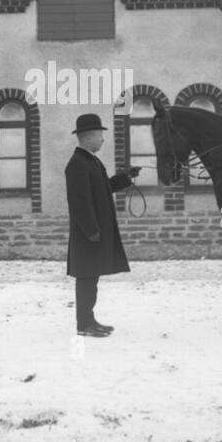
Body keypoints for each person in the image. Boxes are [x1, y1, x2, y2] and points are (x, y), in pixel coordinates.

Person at [65, 113, 141, 337]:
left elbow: (102, 188)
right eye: (99, 135)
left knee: (92, 277)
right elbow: (79, 202)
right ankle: (83, 325)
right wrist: (91, 230)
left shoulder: (90, 161)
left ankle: (89, 320)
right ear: (88, 137)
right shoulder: (78, 164)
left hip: (93, 233)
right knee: (86, 278)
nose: (102, 140)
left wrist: (126, 177)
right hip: (88, 233)